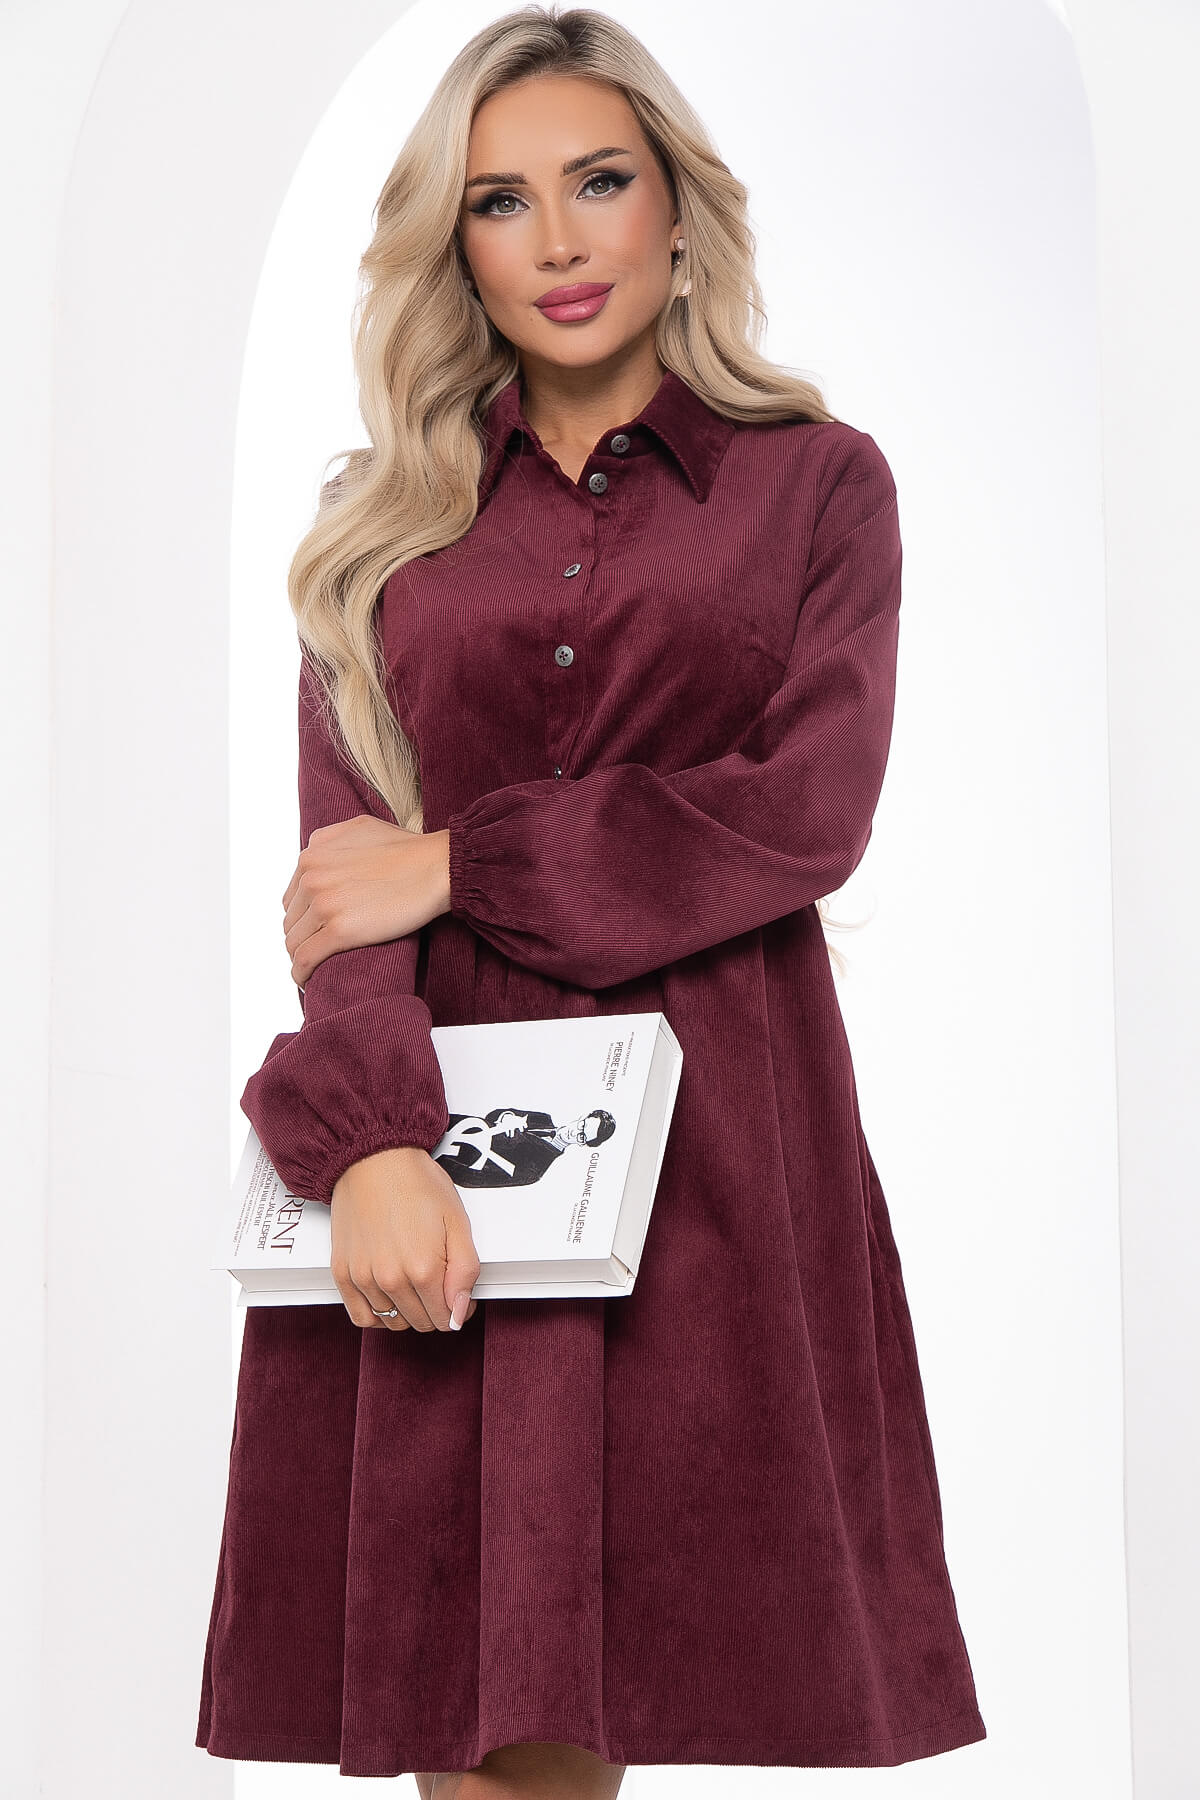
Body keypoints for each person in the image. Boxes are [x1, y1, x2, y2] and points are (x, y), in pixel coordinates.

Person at [195, 7, 988, 1796]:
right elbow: (339, 879)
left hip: (719, 1154)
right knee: (475, 1746)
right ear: (454, 246)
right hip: (445, 1150)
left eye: (599, 182)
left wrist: (463, 860)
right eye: (499, 201)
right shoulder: (383, 524)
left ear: (678, 208)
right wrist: (374, 1145)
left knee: (591, 1701)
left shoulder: (818, 487)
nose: (556, 239)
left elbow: (804, 814)